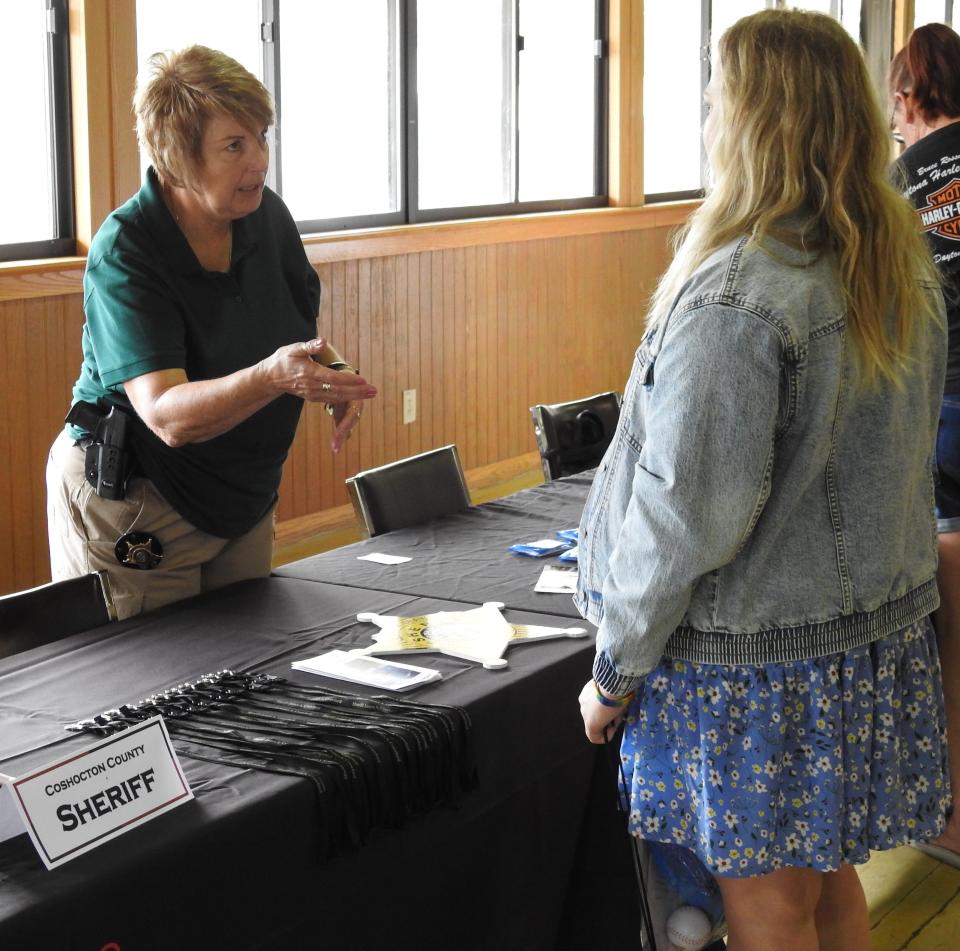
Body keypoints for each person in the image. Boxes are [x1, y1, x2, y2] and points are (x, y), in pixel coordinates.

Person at [575, 11, 948, 951]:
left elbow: (683, 516)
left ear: (753, 121)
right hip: (858, 649)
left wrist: (614, 672)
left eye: (715, 100)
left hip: (759, 670)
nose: (706, 117)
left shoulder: (740, 291)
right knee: (828, 892)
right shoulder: (890, 264)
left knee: (769, 908)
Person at [46, 46, 377, 620]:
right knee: (151, 693)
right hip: (135, 497)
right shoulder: (127, 249)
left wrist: (335, 375)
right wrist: (274, 377)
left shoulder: (265, 215)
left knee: (244, 675)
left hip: (239, 494)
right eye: (234, 146)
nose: (260, 161)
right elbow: (168, 416)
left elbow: (295, 332)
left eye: (261, 137)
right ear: (178, 158)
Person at [889, 22, 960, 870]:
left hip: (942, 398)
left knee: (949, 610)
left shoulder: (899, 182)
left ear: (908, 95)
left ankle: (946, 807)